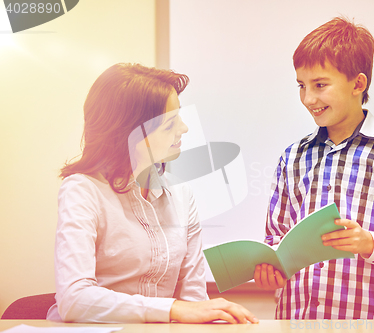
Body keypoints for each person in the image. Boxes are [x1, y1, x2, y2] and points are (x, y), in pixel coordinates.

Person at [253, 17, 374, 326]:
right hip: (295, 322)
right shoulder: (293, 157)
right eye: (301, 86)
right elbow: (275, 238)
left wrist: (369, 243)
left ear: (358, 84)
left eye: (320, 85)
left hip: (365, 325)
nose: (309, 99)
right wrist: (270, 270)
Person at [47, 63, 258, 324]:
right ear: (130, 130)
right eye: (171, 122)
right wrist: (171, 309)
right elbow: (74, 300)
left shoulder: (182, 194)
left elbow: (194, 301)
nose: (184, 129)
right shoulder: (82, 190)